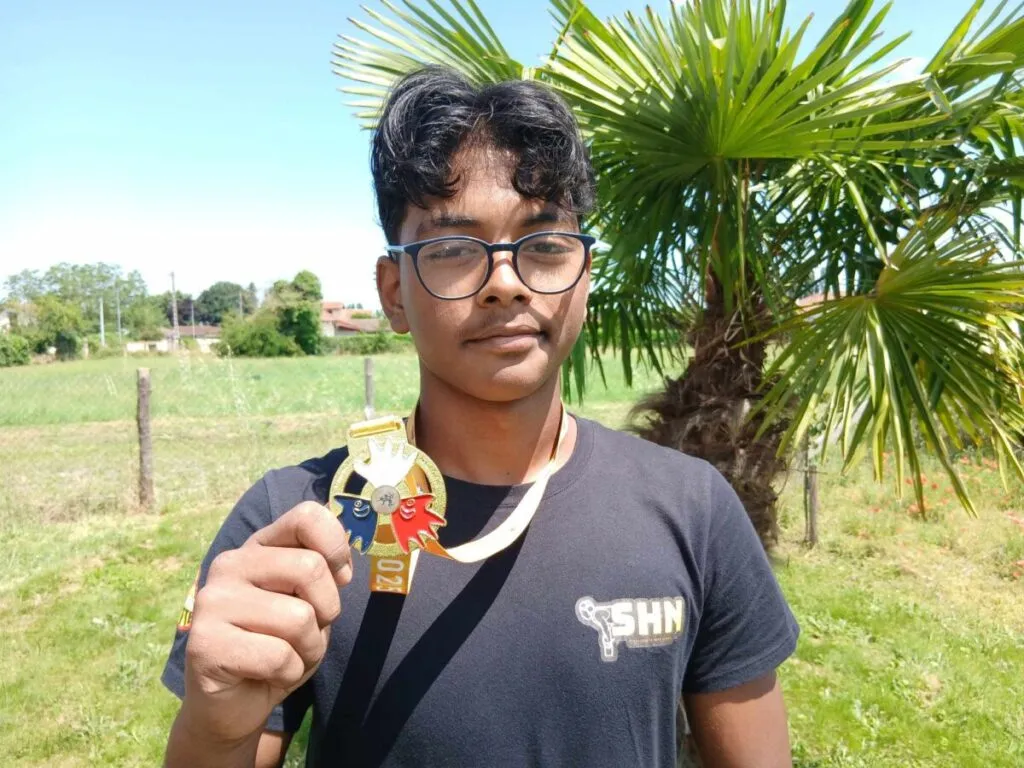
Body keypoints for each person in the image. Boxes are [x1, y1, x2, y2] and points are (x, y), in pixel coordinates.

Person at [161, 65, 799, 768]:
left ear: (584, 275)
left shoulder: (693, 510)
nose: (504, 283)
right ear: (394, 293)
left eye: (545, 245)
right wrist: (216, 727)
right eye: (454, 250)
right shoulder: (294, 531)